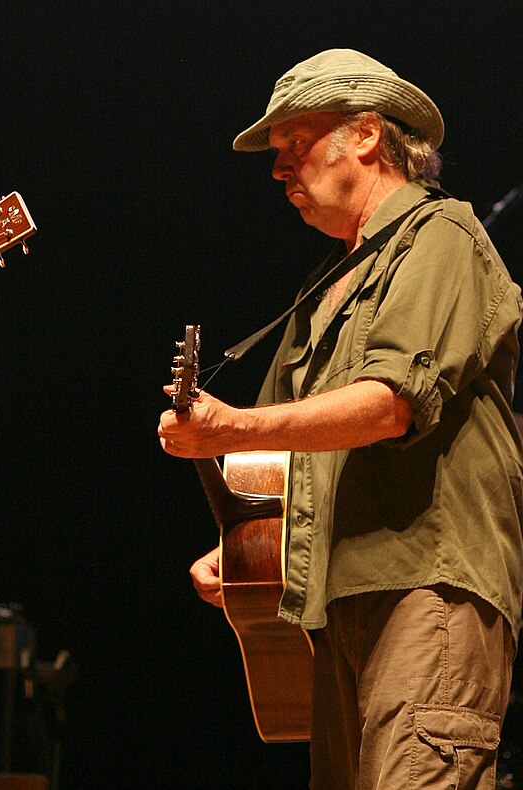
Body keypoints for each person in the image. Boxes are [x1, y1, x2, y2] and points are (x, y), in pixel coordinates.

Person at [159, 49, 523, 788]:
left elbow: (388, 404)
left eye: (295, 144)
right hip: (336, 603)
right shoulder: (328, 283)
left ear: (365, 135)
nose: (278, 169)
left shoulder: (441, 235)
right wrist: (242, 543)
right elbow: (282, 449)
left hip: (426, 589)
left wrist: (228, 428)